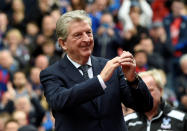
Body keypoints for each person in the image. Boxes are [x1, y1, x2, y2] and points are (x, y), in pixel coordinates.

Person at [40, 10, 153, 131]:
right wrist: (100, 80)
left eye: (89, 33)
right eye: (78, 35)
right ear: (63, 43)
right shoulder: (51, 73)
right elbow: (60, 101)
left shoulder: (111, 67)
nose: (86, 39)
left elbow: (145, 106)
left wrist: (132, 80)